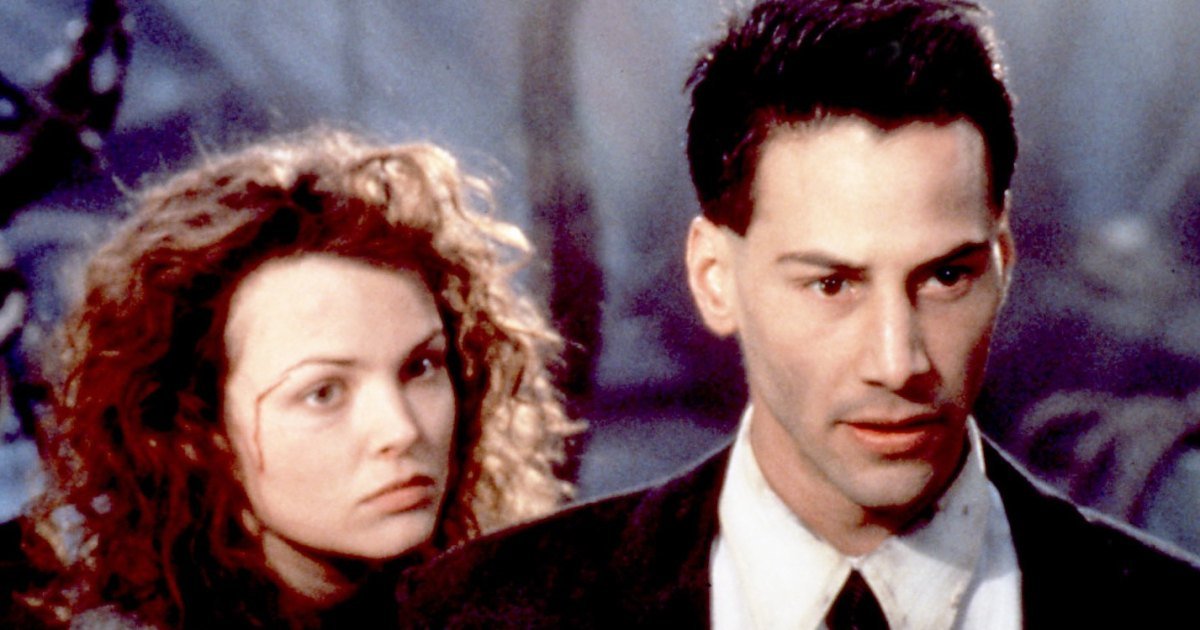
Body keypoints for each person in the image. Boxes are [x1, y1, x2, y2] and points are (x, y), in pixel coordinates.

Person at [395, 0, 1200, 627]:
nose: (897, 361)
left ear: (1003, 264)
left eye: (945, 277)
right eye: (832, 285)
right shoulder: (487, 615)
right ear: (714, 278)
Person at [18, 128, 578, 626]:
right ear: (197, 432)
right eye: (324, 393)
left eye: (421, 367)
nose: (401, 430)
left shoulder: (508, 600)